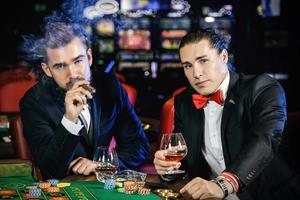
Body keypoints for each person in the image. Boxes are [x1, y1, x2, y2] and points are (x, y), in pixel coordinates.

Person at [153, 29, 299, 200]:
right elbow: (184, 163)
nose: (196, 74)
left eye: (203, 61)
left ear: (223, 57)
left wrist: (224, 184)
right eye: (188, 65)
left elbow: (264, 141)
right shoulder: (184, 101)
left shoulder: (263, 88)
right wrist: (168, 168)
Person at [19, 19, 150, 179]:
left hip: (103, 184)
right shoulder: (33, 102)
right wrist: (69, 119)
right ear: (47, 70)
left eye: (77, 61)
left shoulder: (109, 85)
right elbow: (51, 169)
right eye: (60, 66)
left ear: (89, 57)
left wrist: (103, 166)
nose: (72, 73)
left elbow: (139, 145)